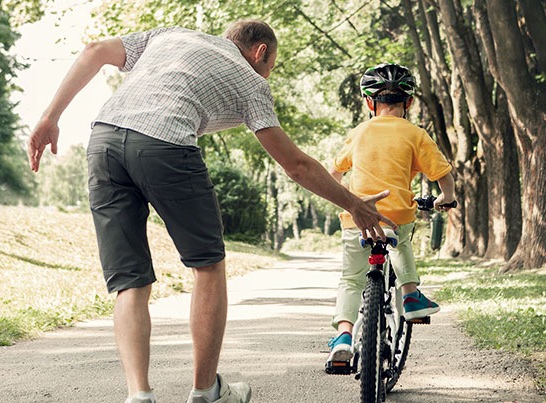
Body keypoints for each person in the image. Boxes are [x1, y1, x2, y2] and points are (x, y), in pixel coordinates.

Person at [27, 20, 396, 403]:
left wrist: (50, 117)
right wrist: (354, 204)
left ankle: (139, 395)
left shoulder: (170, 34)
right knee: (207, 265)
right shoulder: (252, 80)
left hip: (102, 142)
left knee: (130, 281)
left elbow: (93, 51)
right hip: (165, 145)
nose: (268, 73)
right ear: (261, 52)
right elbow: (296, 165)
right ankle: (206, 391)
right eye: (272, 65)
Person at [325, 63, 456, 365]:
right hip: (396, 213)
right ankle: (410, 294)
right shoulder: (415, 133)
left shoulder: (359, 132)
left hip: (357, 216)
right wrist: (446, 198)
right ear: (409, 102)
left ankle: (344, 335)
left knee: (351, 279)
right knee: (402, 242)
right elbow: (443, 175)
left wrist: (345, 201)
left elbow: (334, 173)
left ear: (370, 103)